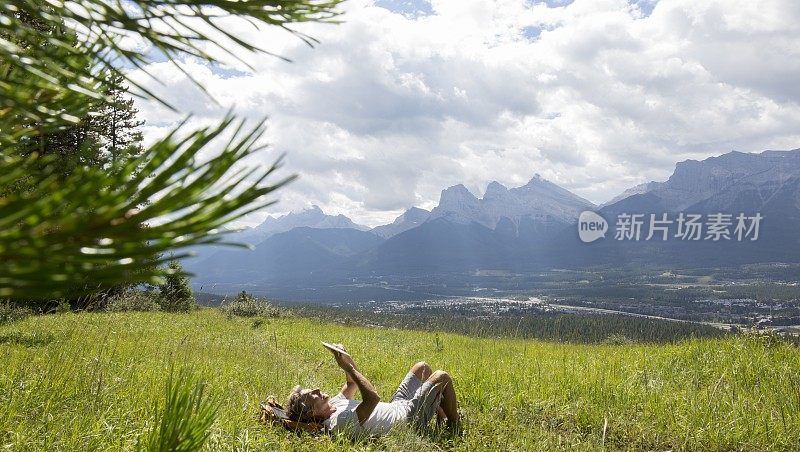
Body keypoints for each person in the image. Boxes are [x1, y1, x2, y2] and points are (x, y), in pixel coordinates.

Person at [285, 344, 461, 439]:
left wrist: (344, 358)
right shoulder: (338, 423)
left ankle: (440, 409)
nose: (317, 389)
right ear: (312, 412)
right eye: (312, 395)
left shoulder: (334, 405)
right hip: (408, 419)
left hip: (397, 405)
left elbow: (351, 384)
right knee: (441, 376)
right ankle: (454, 426)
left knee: (422, 367)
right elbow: (373, 398)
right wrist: (349, 368)